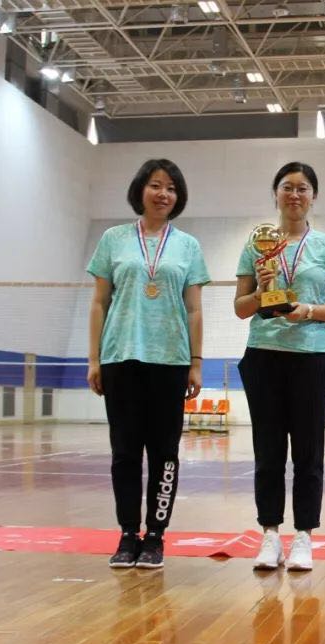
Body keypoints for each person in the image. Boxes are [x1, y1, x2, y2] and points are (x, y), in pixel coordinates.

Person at [87, 158, 209, 569]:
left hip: (170, 361)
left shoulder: (188, 246)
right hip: (120, 358)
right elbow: (99, 302)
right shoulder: (113, 239)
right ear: (140, 189)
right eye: (156, 185)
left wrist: (195, 362)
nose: (163, 194)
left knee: (164, 453)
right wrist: (94, 359)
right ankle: (127, 534)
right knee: (124, 452)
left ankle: (155, 535)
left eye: (171, 188)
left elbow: (194, 309)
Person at [233, 162, 325, 572]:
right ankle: (270, 535)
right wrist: (262, 289)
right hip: (263, 356)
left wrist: (309, 310)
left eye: (303, 188)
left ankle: (304, 536)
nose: (295, 195)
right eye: (287, 187)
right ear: (276, 193)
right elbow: (240, 308)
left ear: (313, 196)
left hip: (311, 359)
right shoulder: (256, 245)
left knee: (308, 451)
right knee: (267, 451)